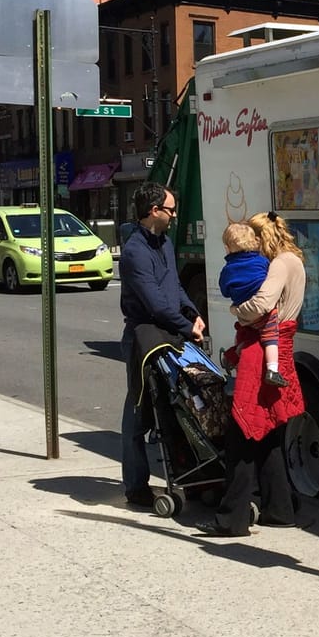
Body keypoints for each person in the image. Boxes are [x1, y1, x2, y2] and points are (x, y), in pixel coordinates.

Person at [196, 211, 307, 537]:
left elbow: (260, 304)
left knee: (242, 434)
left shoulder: (279, 264)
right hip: (280, 348)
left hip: (262, 352)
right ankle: (279, 508)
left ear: (263, 236)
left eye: (255, 238)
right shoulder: (295, 261)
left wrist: (234, 311)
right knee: (267, 435)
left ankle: (232, 519)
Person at [119, 181, 205, 507]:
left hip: (170, 333)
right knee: (138, 413)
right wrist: (187, 326)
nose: (174, 215)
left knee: (182, 407)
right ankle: (136, 486)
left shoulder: (164, 243)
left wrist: (193, 313)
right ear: (153, 211)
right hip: (143, 338)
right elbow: (154, 303)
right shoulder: (134, 252)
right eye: (169, 209)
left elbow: (175, 287)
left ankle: (192, 474)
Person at [218, 221, 287, 388]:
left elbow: (225, 291)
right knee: (270, 337)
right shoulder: (262, 262)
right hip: (264, 313)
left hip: (243, 314)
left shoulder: (228, 269)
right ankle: (272, 370)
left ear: (228, 248)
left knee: (247, 334)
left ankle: (235, 354)